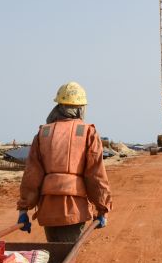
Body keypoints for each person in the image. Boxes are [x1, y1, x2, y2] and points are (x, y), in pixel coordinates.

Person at [16, 81, 112, 243]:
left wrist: (23, 210)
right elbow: (95, 175)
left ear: (59, 107)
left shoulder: (43, 133)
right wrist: (103, 208)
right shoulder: (88, 132)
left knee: (55, 249)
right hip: (75, 207)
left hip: (48, 207)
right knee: (68, 253)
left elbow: (32, 174)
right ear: (81, 108)